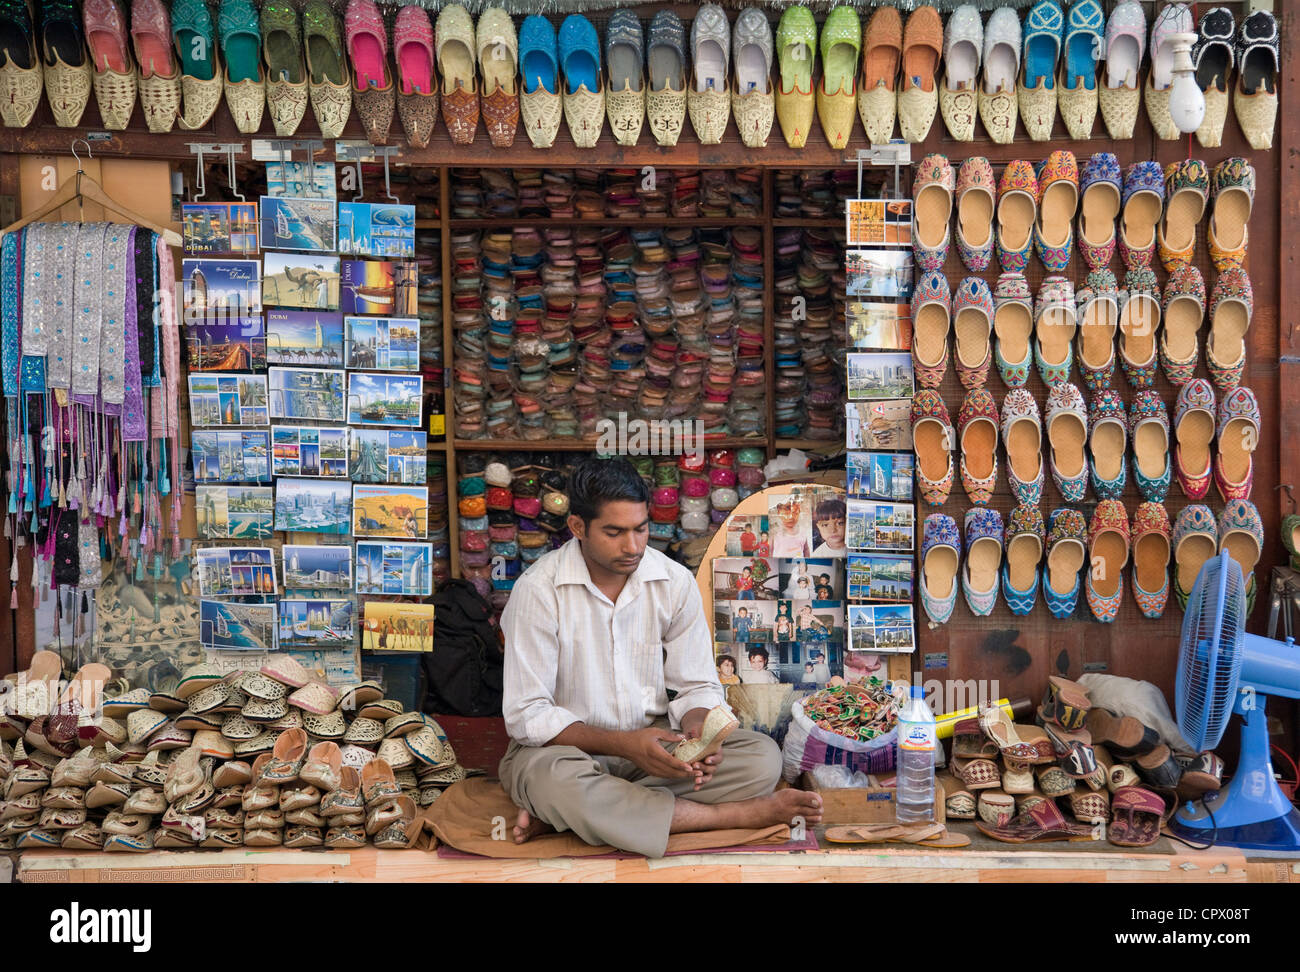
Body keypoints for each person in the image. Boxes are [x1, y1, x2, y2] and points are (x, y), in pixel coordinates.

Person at [499, 457, 821, 858]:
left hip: (654, 747)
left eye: (640, 529)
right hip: (566, 752)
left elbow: (696, 684)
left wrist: (700, 733)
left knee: (761, 759)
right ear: (578, 527)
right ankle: (730, 815)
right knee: (548, 779)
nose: (633, 546)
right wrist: (625, 745)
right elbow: (528, 715)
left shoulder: (673, 582)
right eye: (614, 532)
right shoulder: (539, 590)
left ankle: (580, 813)